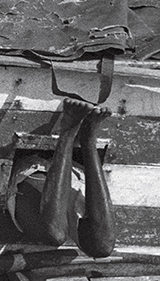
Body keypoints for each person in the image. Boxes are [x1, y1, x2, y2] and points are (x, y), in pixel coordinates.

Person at [12, 99, 116, 258]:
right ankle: (73, 135)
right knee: (56, 234)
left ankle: (85, 138)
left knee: (103, 247)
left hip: (65, 173)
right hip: (36, 170)